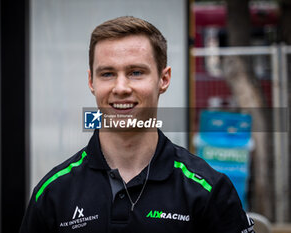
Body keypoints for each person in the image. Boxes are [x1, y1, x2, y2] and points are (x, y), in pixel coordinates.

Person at [19, 16, 254, 233]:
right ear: (91, 81)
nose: (121, 88)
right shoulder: (53, 193)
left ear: (164, 79)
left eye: (135, 72)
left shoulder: (209, 190)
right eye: (108, 74)